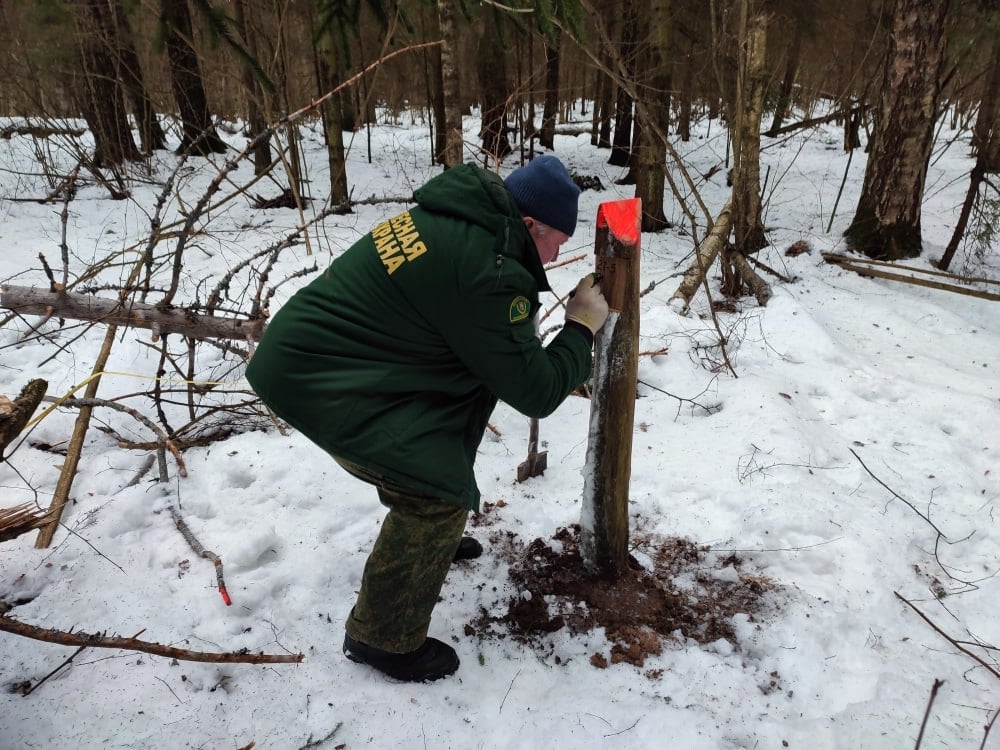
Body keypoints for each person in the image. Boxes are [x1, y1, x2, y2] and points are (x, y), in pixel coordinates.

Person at [245, 155, 609, 682]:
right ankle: (382, 637)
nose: (554, 257)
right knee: (434, 495)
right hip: (321, 377)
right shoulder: (489, 268)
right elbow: (535, 391)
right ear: (529, 225)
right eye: (555, 242)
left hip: (342, 357)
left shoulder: (463, 221)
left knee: (448, 424)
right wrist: (579, 329)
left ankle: (425, 549)